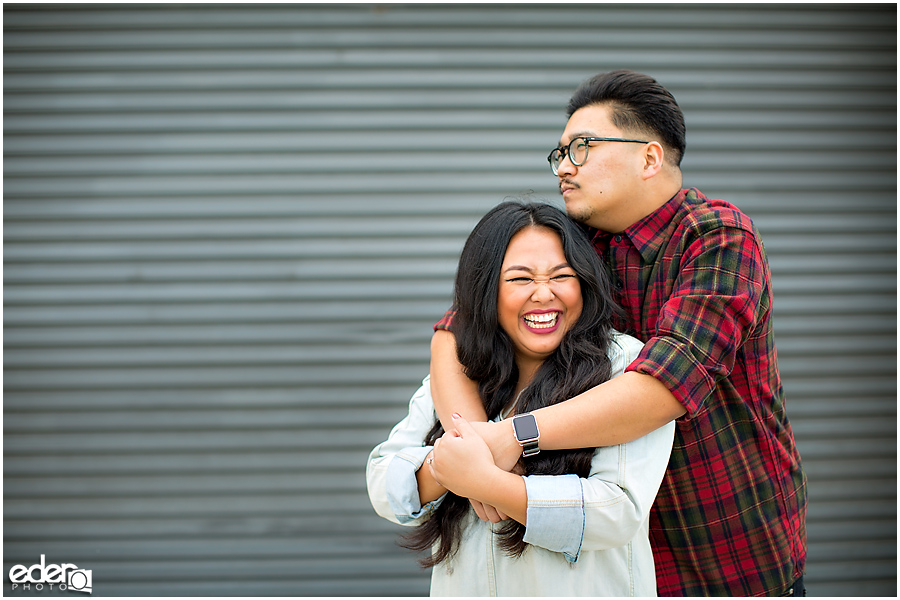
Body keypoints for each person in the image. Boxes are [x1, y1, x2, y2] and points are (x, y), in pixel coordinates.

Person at [429, 70, 807, 596]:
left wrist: (510, 436)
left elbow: (662, 386)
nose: (563, 167)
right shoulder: (574, 242)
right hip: (612, 561)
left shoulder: (719, 237)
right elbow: (454, 331)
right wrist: (474, 450)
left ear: (649, 157)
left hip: (723, 550)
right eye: (558, 153)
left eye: (581, 147)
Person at [367, 201, 674, 596]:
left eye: (562, 275)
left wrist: (487, 482)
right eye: (519, 279)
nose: (544, 294)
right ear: (487, 291)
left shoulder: (624, 365)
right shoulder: (463, 369)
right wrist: (443, 466)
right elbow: (383, 485)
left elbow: (615, 512)